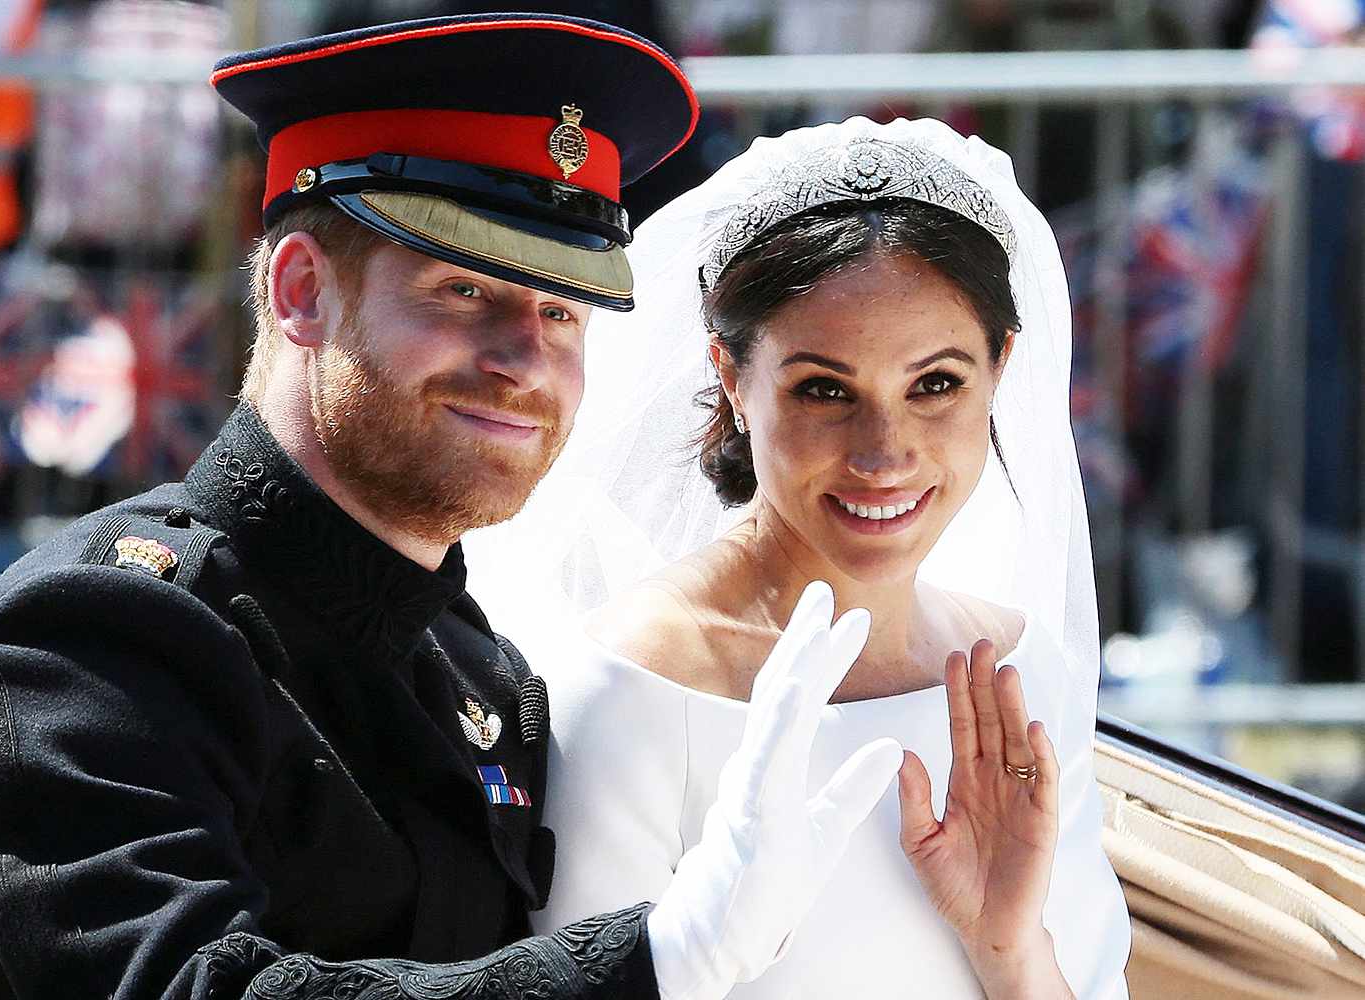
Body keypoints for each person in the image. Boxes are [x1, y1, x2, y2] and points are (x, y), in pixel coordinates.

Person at [0, 15, 908, 1000]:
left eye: (559, 309)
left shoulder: (469, 664)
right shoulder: (86, 643)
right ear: (302, 291)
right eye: (464, 292)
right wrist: (655, 960)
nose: (523, 361)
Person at [467, 116, 1133, 997]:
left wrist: (1009, 947)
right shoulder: (639, 684)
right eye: (824, 389)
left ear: (1001, 367)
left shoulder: (1015, 670)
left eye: (935, 383)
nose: (883, 452)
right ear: (733, 378)